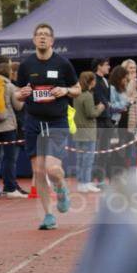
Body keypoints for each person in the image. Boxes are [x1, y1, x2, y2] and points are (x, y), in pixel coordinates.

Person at [15, 23, 80, 230]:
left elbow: (77, 89)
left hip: (57, 121)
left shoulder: (62, 63)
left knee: (52, 169)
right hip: (33, 121)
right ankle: (49, 215)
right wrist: (21, 94)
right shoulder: (26, 66)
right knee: (39, 171)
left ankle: (61, 187)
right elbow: (17, 94)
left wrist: (65, 90)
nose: (42, 38)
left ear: (52, 41)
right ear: (34, 40)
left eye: (46, 35)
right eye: (39, 34)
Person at [0, 61, 27, 198]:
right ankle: (9, 188)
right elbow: (18, 106)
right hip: (7, 126)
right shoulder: (10, 86)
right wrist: (24, 97)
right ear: (8, 72)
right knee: (9, 158)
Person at [72, 71, 105, 192]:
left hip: (78, 130)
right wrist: (99, 109)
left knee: (81, 158)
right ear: (91, 82)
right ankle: (85, 182)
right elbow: (90, 114)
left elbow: (84, 111)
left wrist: (94, 108)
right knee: (88, 158)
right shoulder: (88, 96)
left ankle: (81, 182)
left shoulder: (77, 95)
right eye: (94, 80)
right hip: (88, 130)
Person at [90, 57, 113, 182]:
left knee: (106, 149)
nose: (108, 67)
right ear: (99, 66)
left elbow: (107, 99)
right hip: (97, 120)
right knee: (97, 150)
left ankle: (102, 176)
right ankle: (97, 177)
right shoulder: (93, 80)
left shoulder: (106, 80)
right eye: (106, 65)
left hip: (107, 118)